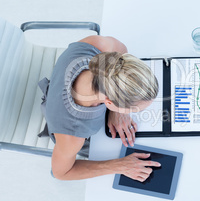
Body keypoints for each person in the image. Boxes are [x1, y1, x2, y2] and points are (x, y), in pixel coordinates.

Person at [38, 35, 161, 181]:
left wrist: (117, 112)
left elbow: (122, 51)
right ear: (108, 102)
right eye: (133, 110)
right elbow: (61, 173)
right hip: (69, 130)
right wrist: (120, 166)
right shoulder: (72, 136)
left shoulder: (96, 45)